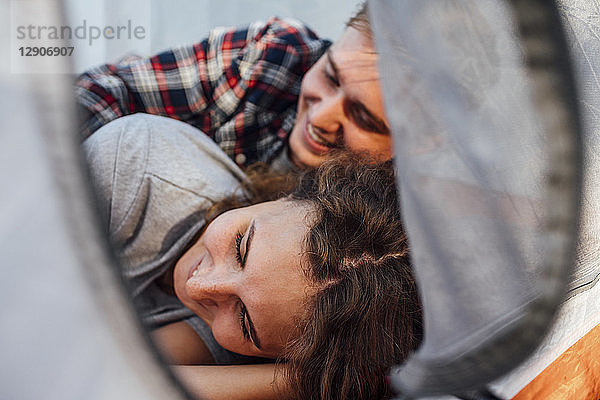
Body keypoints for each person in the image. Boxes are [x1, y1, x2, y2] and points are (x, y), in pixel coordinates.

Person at [83, 113, 421, 400]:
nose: (200, 286)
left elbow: (97, 378)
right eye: (241, 247)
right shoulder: (135, 167)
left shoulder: (239, 342)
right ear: (287, 196)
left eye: (245, 319)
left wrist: (307, 379)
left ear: (281, 357)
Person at [75, 2, 392, 172]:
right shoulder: (275, 55)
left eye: (364, 118)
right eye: (331, 76)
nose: (321, 117)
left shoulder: (399, 232)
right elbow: (113, 89)